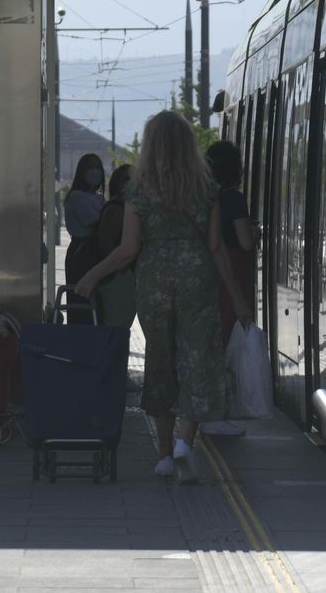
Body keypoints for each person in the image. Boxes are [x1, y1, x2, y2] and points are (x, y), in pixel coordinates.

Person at [76, 112, 251, 482]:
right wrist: (237, 298)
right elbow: (217, 247)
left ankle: (163, 455)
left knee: (161, 361)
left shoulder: (139, 192)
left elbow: (127, 249)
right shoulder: (207, 189)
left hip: (154, 282)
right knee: (198, 360)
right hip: (197, 279)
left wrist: (92, 274)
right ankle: (186, 442)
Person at [202, 140, 258, 438]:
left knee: (216, 338)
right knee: (228, 337)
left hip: (212, 273)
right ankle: (216, 413)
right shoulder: (233, 199)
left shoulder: (206, 196)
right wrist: (254, 232)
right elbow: (245, 241)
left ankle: (213, 410)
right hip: (233, 270)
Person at [91, 164, 137, 328]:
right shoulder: (115, 210)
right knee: (116, 330)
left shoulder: (126, 208)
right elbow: (106, 245)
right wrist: (122, 266)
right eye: (129, 179)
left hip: (121, 275)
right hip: (117, 278)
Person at [63, 153, 107, 288]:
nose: (95, 172)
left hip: (96, 252)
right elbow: (98, 224)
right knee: (82, 299)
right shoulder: (77, 196)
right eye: (90, 168)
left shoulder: (99, 197)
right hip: (82, 253)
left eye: (98, 168)